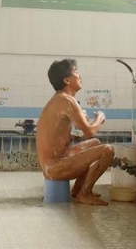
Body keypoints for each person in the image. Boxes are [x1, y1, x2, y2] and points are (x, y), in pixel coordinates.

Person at [36, 59, 113, 205]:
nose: (80, 76)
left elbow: (59, 133)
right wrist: (100, 118)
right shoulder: (67, 100)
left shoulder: (59, 99)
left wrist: (71, 134)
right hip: (54, 167)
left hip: (54, 162)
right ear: (67, 80)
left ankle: (77, 190)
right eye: (76, 72)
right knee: (107, 150)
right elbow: (89, 132)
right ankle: (85, 193)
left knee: (95, 143)